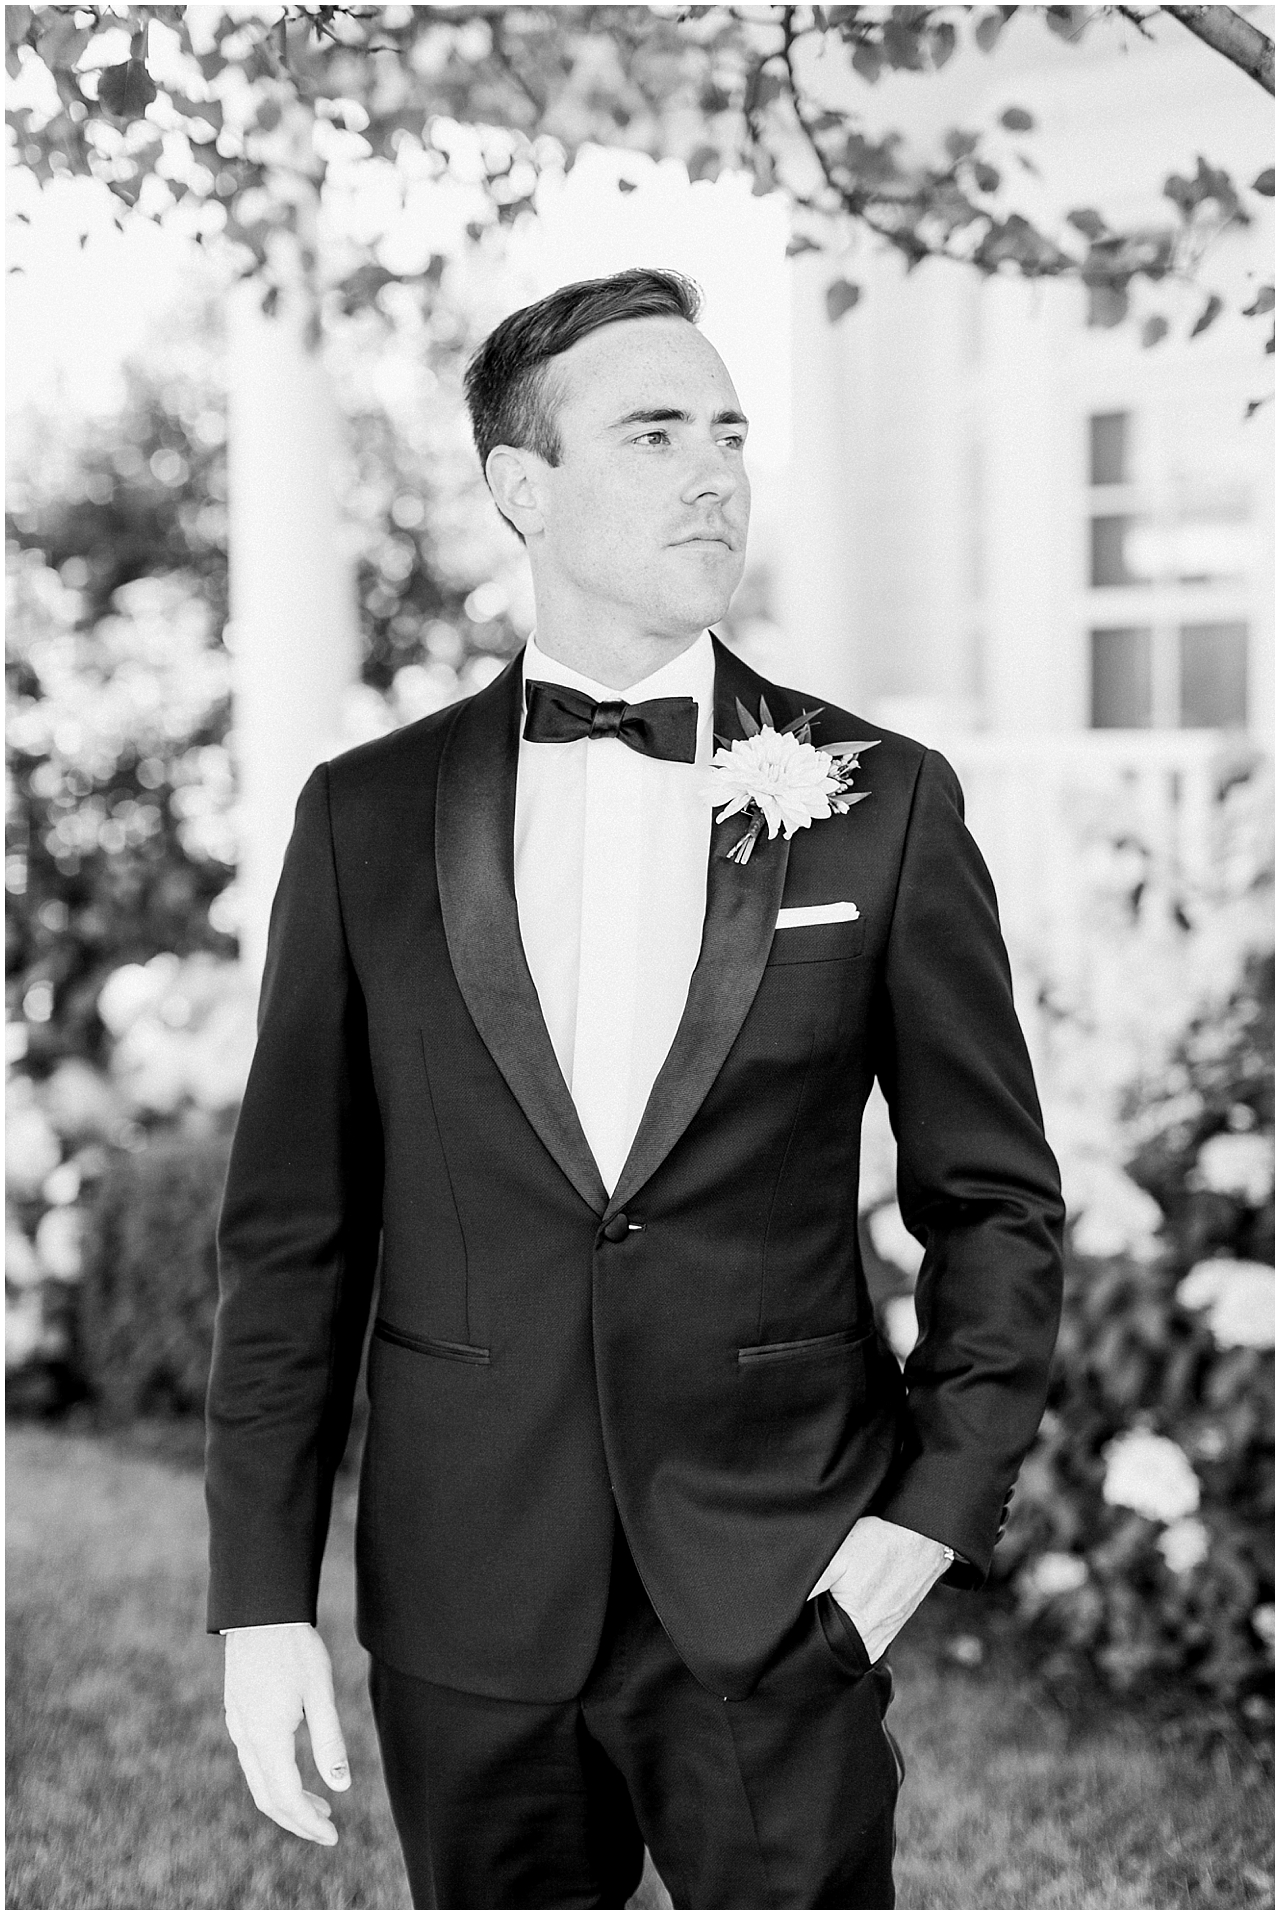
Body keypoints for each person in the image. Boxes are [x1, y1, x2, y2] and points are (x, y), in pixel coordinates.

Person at [206, 266, 1065, 1910]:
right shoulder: (363, 819)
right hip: (468, 1593)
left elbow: (996, 1201)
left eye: (730, 431)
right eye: (654, 431)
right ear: (521, 487)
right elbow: (292, 1239)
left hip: (783, 1575)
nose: (715, 472)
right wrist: (261, 1602)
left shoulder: (881, 802)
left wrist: (926, 1524)